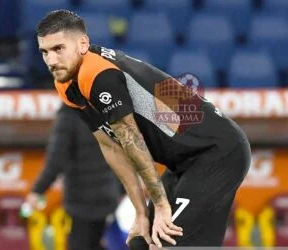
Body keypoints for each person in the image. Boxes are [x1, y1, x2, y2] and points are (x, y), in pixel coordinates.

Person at [35, 10, 251, 249]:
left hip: (217, 154)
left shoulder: (98, 74)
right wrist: (140, 213)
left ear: (83, 43)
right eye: (44, 52)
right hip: (185, 161)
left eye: (58, 49)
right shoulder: (66, 83)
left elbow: (132, 140)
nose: (51, 61)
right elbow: (111, 146)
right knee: (142, 242)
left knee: (167, 242)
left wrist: (160, 205)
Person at [26, 104, 120, 250]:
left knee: (80, 244)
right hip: (107, 195)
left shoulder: (68, 116)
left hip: (81, 200)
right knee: (95, 242)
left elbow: (56, 161)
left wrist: (38, 190)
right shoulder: (103, 109)